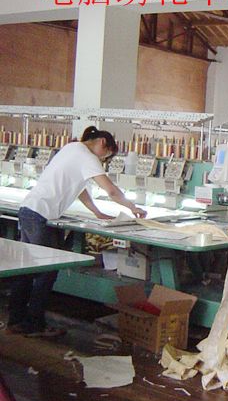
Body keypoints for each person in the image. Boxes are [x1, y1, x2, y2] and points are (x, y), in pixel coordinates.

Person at [7, 126, 147, 337]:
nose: (102, 161)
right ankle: (34, 325)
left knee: (27, 270)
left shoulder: (71, 148)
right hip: (39, 216)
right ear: (102, 143)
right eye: (105, 156)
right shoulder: (87, 156)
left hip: (30, 211)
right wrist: (133, 207)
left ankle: (15, 321)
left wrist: (97, 212)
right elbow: (111, 190)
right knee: (46, 271)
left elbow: (80, 188)